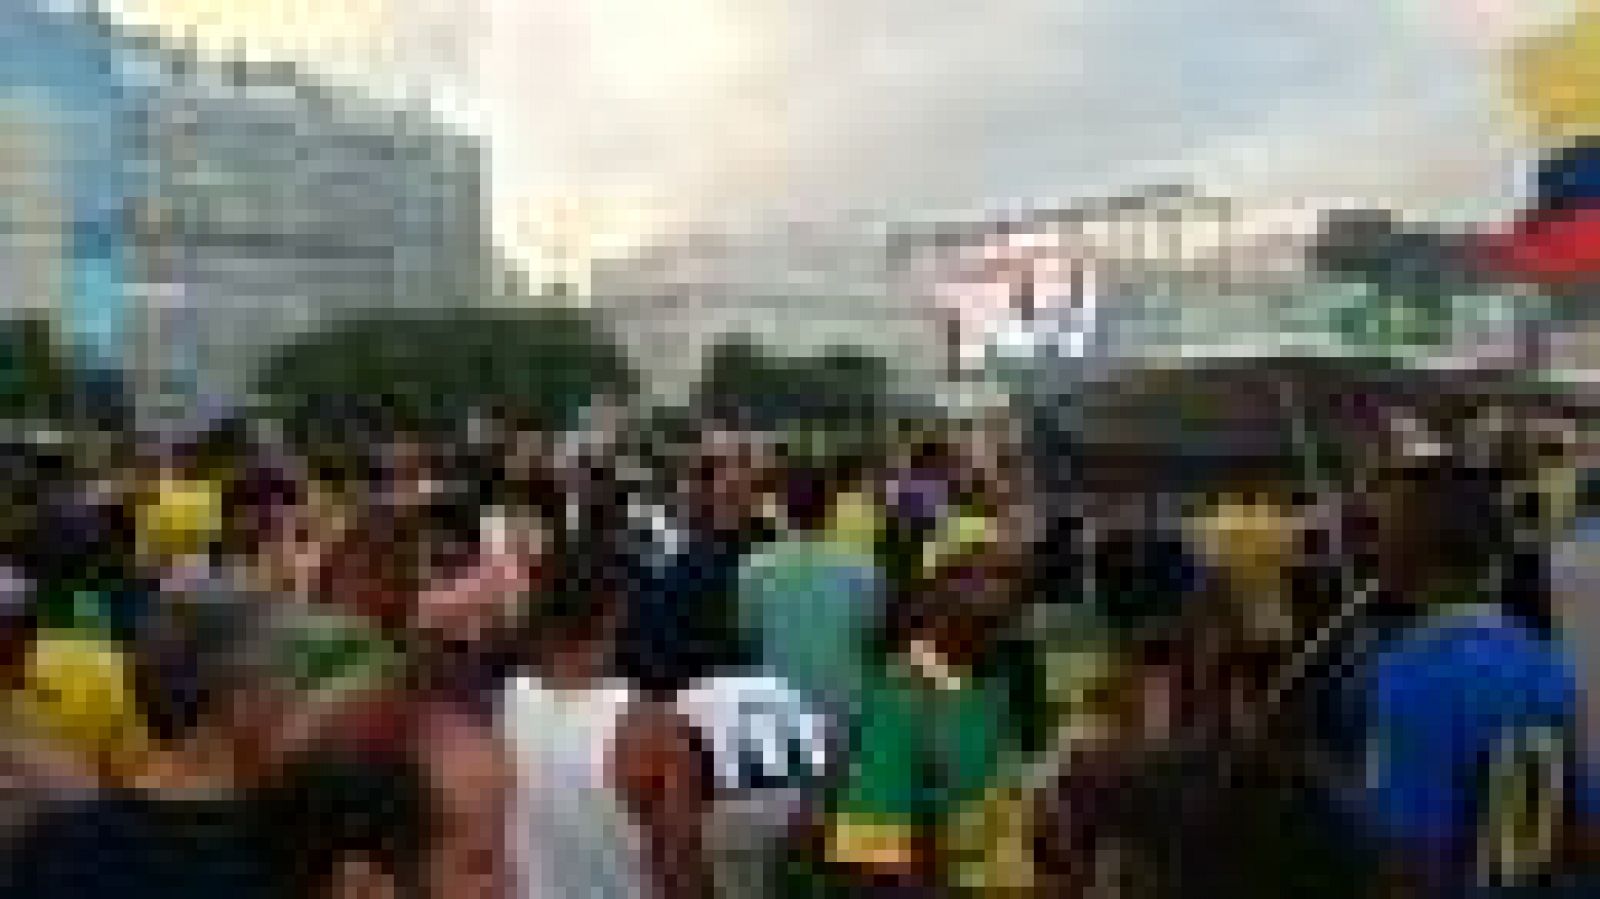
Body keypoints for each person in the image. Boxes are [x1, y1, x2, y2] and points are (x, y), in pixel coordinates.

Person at [1357, 456, 1600, 897]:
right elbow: (1578, 817)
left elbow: (1410, 852)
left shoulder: (1411, 673)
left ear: (1406, 556)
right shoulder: (1544, 660)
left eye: (1381, 534)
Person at [735, 464, 886, 718]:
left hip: (775, 707)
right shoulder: (862, 571)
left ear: (782, 507)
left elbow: (747, 635)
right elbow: (870, 635)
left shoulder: (754, 568)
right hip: (840, 708)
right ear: (830, 508)